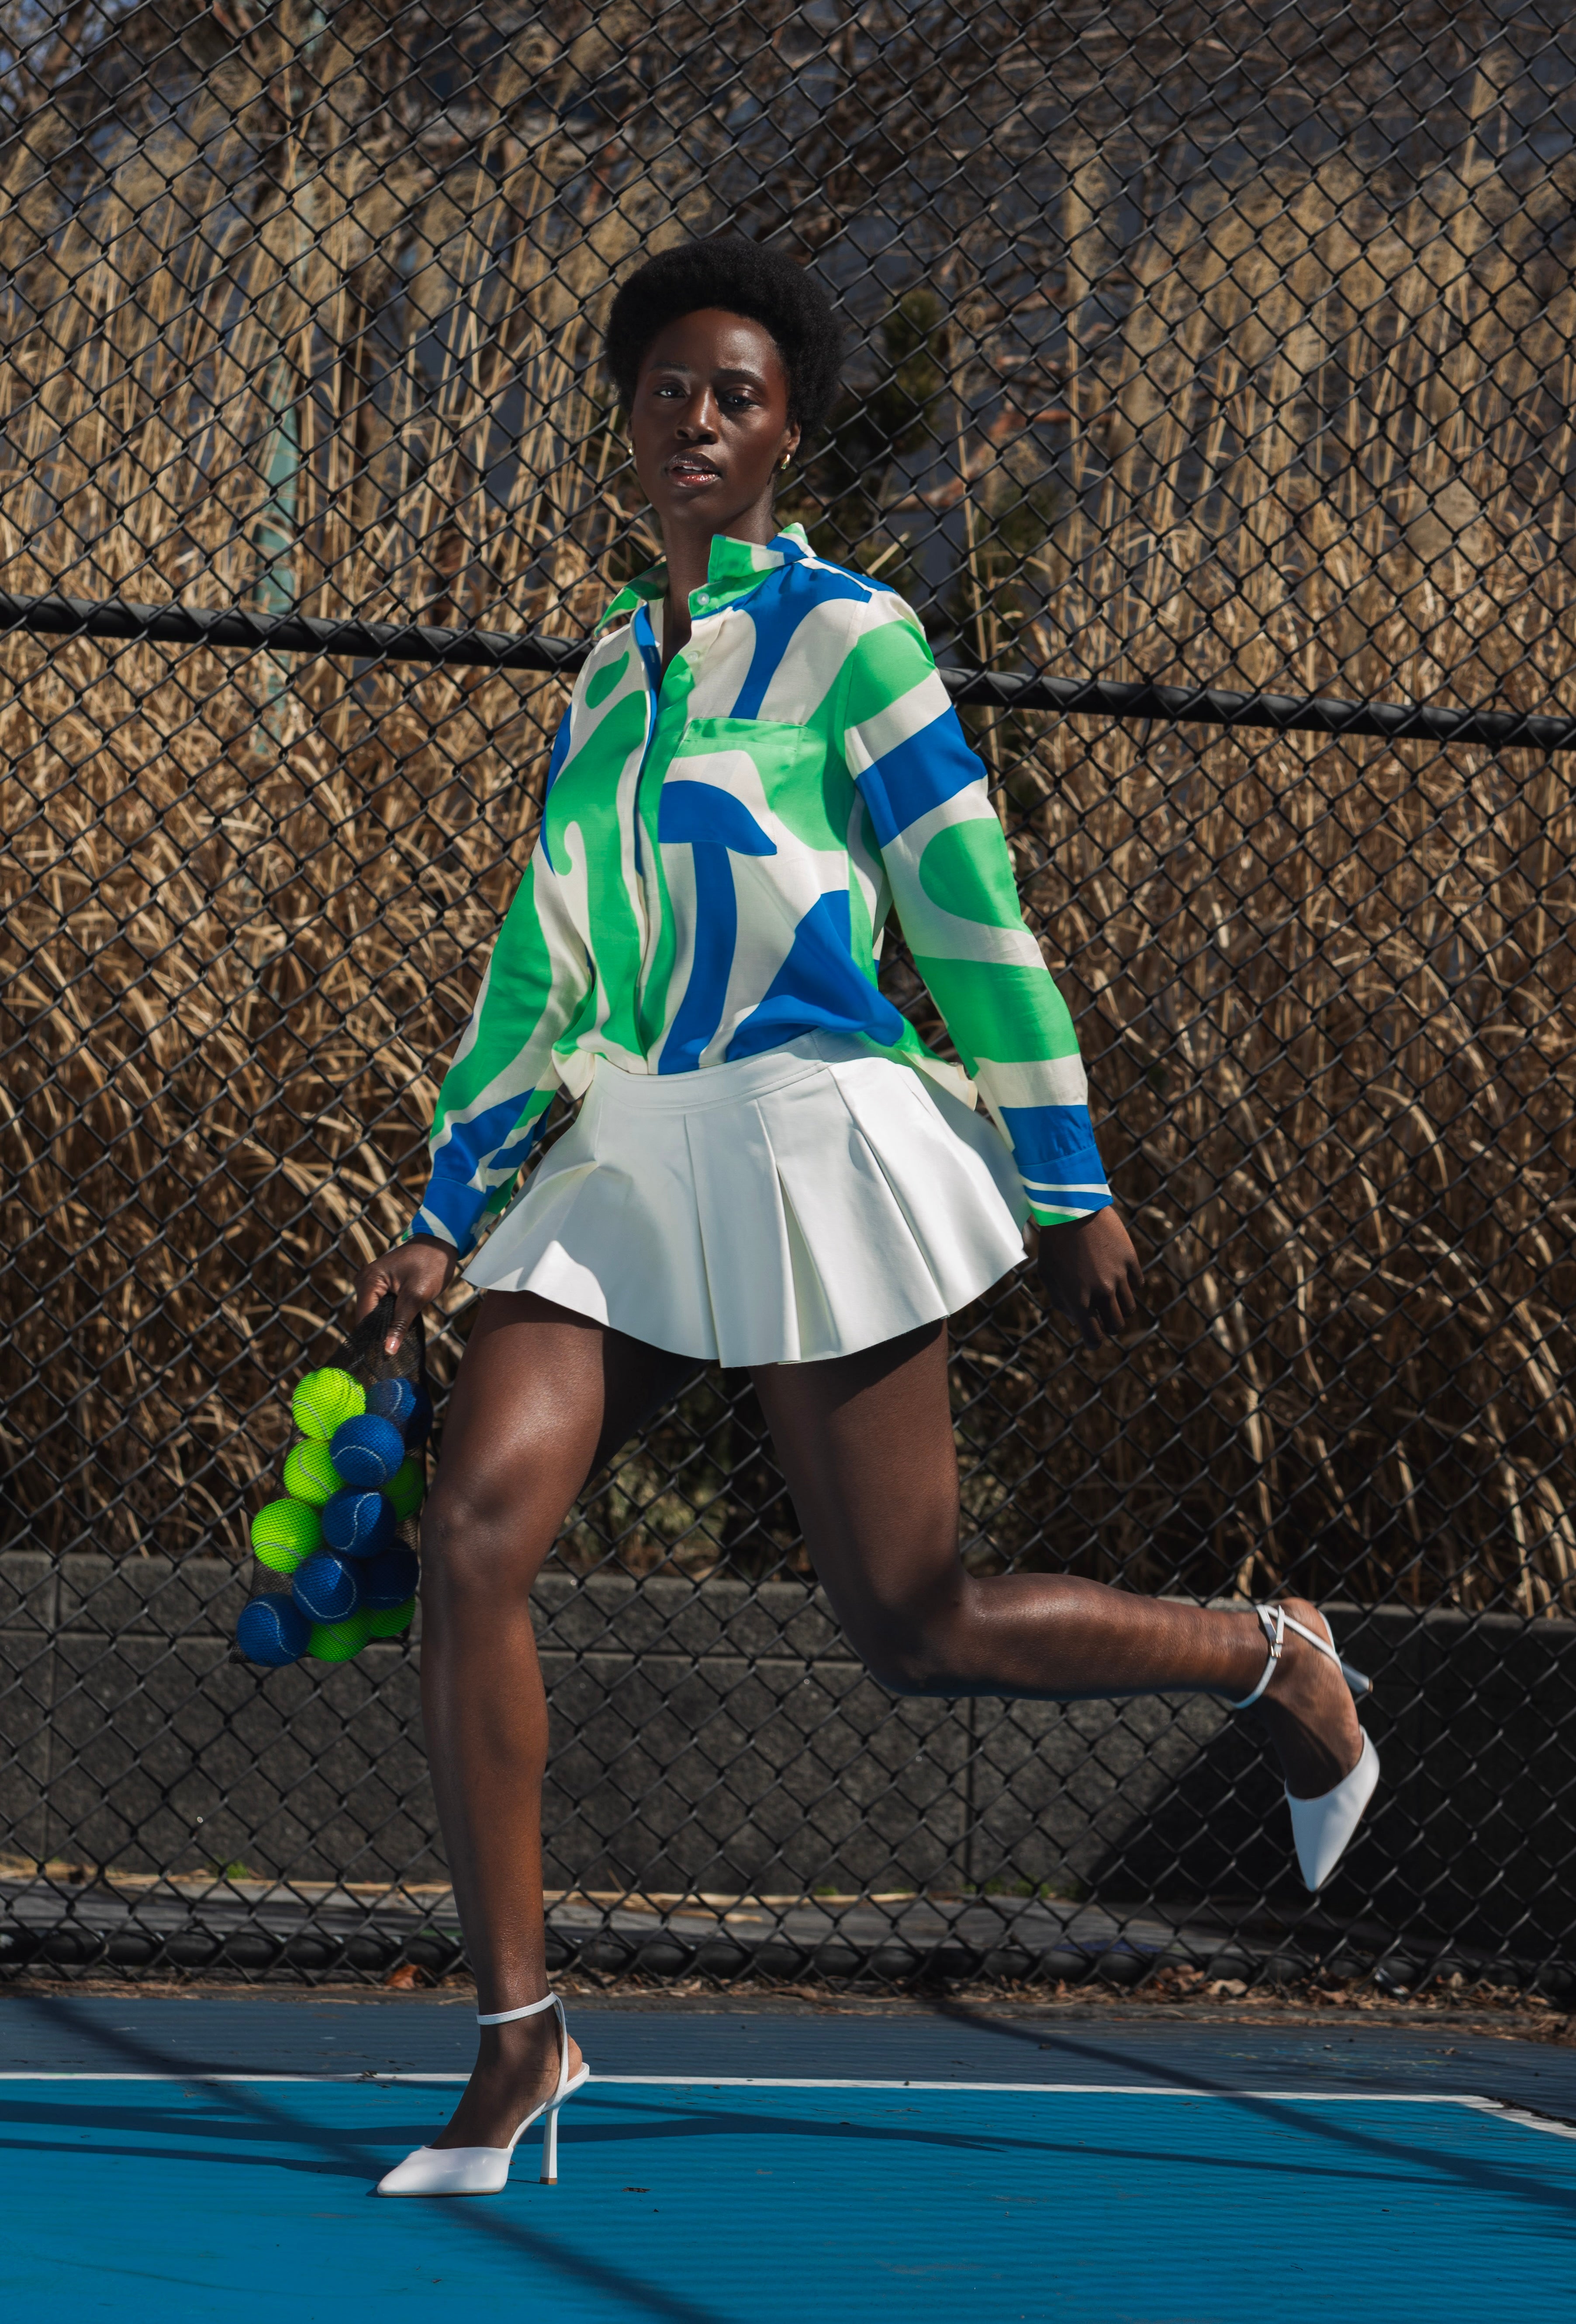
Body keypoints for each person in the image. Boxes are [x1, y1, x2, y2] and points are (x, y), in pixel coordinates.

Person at [363, 238, 1377, 2197]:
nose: (696, 420)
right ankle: (515, 2038)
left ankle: (1272, 1661)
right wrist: (446, 1203)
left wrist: (1062, 1173)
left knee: (914, 1623)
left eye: (735, 394)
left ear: (786, 434)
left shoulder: (856, 641)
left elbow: (965, 910)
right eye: (667, 388)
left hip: (816, 1140)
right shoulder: (609, 666)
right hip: (622, 1155)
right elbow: (538, 961)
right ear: (628, 416)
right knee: (471, 1531)